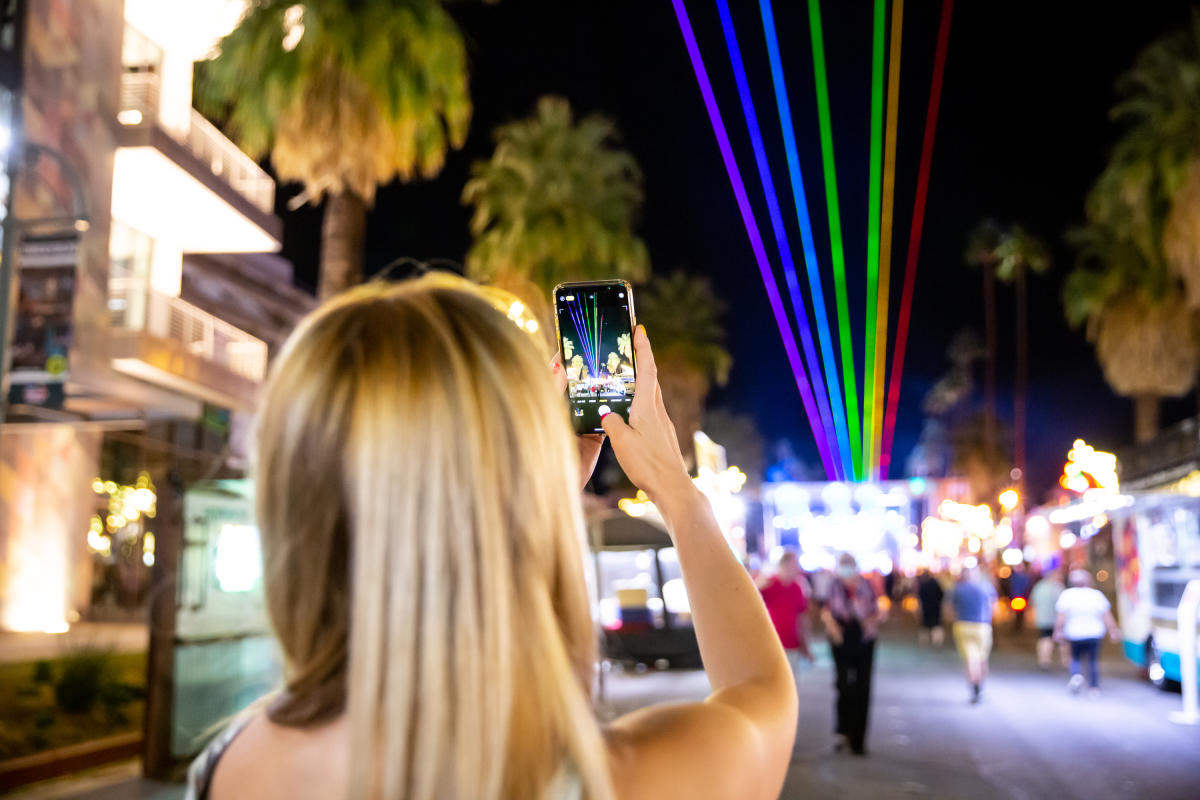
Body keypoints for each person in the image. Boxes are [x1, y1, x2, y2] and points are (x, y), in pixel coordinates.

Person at [185, 276, 798, 800]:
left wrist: (528, 497)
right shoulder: (625, 780)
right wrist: (678, 494)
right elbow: (763, 694)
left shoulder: (227, 768)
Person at [819, 553, 881, 756]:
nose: (846, 569)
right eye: (843, 565)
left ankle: (858, 740)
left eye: (849, 565)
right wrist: (833, 628)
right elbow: (825, 609)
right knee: (844, 685)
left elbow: (878, 608)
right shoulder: (834, 586)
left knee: (863, 688)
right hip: (841, 637)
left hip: (864, 638)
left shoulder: (866, 584)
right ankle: (842, 731)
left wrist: (872, 621)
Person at [1054, 569, 1121, 694]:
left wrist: (1058, 630)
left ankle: (1076, 675)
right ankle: (1094, 687)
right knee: (1093, 660)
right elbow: (1106, 615)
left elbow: (1061, 616)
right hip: (1094, 633)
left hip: (1074, 632)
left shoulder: (1067, 595)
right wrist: (1113, 630)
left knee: (1075, 657)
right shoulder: (1096, 595)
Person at [758, 550, 814, 673]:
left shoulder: (797, 588)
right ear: (784, 565)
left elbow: (802, 618)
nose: (797, 569)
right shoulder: (769, 583)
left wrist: (805, 645)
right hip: (771, 645)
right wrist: (757, 586)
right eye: (794, 565)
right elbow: (749, 604)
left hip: (791, 645)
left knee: (791, 684)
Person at [951, 565, 997, 704]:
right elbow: (993, 607)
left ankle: (974, 687)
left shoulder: (957, 589)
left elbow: (951, 610)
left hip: (963, 625)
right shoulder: (986, 587)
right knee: (982, 658)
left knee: (971, 659)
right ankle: (980, 685)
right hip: (982, 626)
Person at [1030, 569, 1065, 669]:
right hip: (1057, 619)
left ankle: (1044, 660)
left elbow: (1033, 601)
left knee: (1044, 638)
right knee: (1062, 640)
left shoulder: (1039, 586)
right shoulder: (1058, 587)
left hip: (1043, 618)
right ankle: (1065, 661)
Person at [916, 569, 946, 646]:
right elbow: (941, 595)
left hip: (926, 607)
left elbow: (920, 597)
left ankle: (924, 640)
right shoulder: (936, 583)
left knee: (925, 624)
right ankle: (937, 640)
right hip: (936, 607)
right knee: (936, 624)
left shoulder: (923, 585)